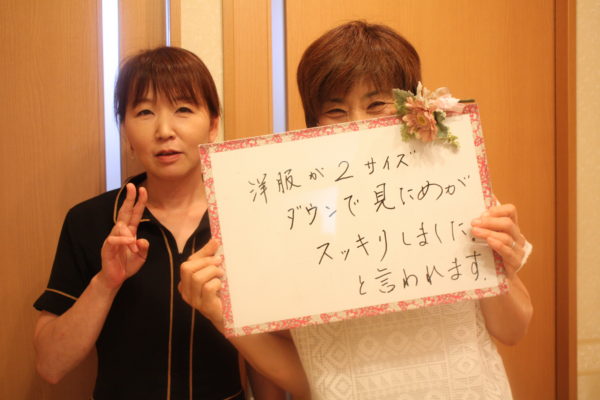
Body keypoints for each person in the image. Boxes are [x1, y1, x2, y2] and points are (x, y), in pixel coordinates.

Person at [33, 46, 308, 399]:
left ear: (212, 125)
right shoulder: (90, 221)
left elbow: (265, 347)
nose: (164, 130)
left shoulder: (247, 217)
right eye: (145, 112)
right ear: (126, 133)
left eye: (183, 109)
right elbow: (50, 366)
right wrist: (105, 283)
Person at [285, 21, 533, 399]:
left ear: (412, 105)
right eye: (335, 110)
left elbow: (513, 330)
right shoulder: (296, 212)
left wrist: (500, 267)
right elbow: (303, 368)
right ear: (313, 120)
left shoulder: (454, 186)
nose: (358, 125)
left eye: (376, 105)